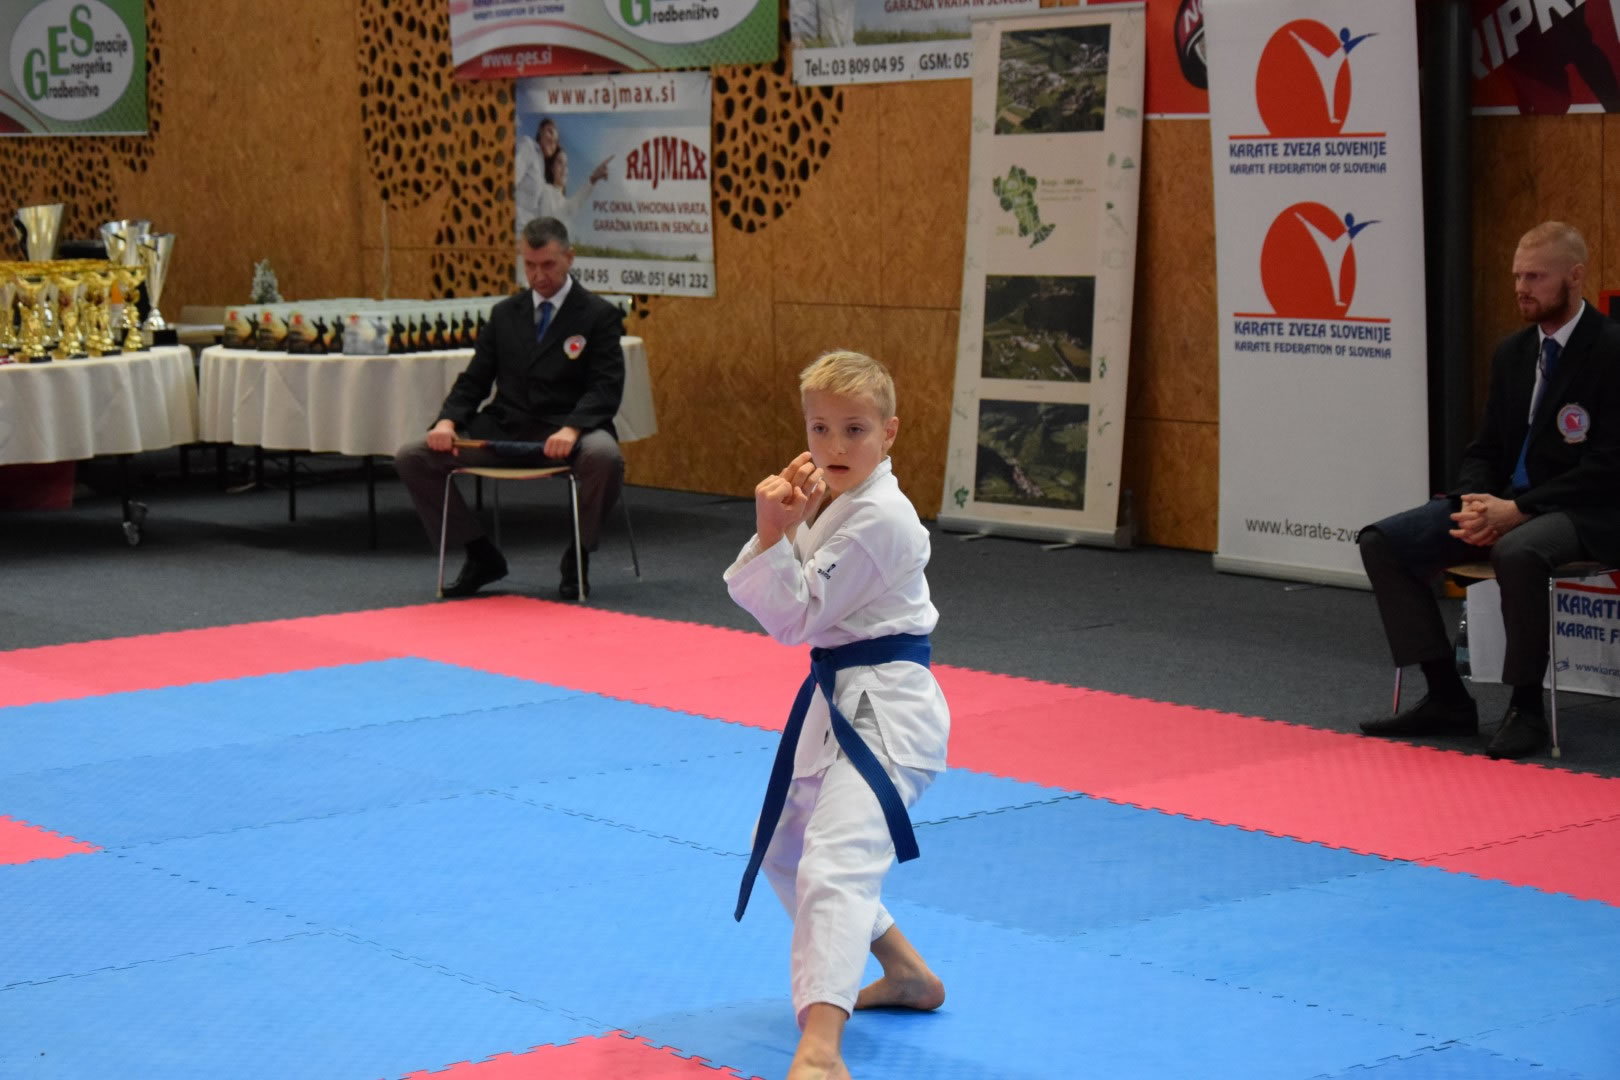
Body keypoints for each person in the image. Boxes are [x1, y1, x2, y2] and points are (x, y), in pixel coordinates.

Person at [723, 351, 950, 1080]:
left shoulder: (881, 516)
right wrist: (788, 526)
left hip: (887, 713)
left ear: (890, 432)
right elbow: (800, 602)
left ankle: (820, 1050)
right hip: (842, 701)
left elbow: (796, 617)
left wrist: (772, 531)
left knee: (834, 862)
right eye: (820, 428)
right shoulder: (841, 502)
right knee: (782, 847)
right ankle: (907, 973)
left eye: (855, 429)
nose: (834, 445)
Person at [1358, 221, 1620, 759]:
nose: (1522, 288)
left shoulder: (1611, 349)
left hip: (1587, 509)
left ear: (1575, 276)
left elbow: (1609, 465)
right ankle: (1447, 696)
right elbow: (1486, 447)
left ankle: (1525, 708)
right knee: (1383, 542)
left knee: (1518, 551)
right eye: (1517, 276)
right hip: (1506, 502)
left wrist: (1519, 509)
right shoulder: (1514, 353)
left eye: (1536, 277)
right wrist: (1476, 500)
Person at [395, 216, 625, 600]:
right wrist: (448, 421)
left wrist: (572, 428)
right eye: (530, 265)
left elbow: (605, 387)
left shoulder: (598, 315)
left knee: (605, 457)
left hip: (567, 430)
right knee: (412, 456)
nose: (538, 276)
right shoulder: (505, 314)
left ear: (569, 258)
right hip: (507, 427)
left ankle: (578, 556)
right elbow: (474, 380)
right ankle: (480, 553)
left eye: (548, 265)